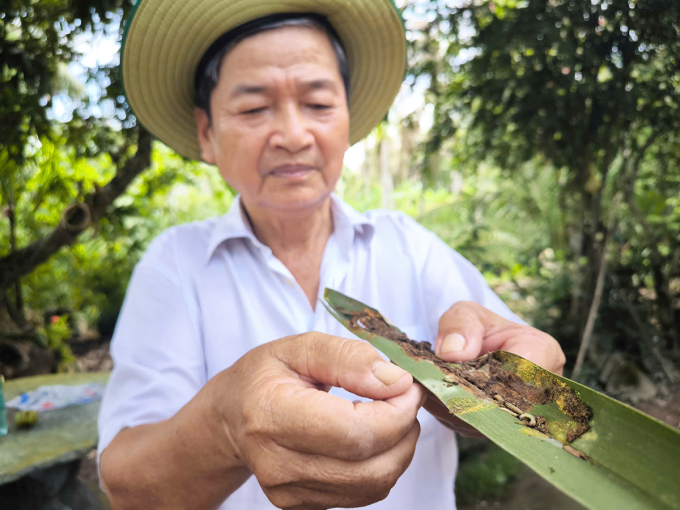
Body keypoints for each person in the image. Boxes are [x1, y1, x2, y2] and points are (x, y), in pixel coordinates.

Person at [98, 2, 566, 509]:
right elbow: (125, 483)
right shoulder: (175, 265)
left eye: (318, 104)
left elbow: (528, 368)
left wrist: (513, 381)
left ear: (346, 117)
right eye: (254, 109)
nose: (294, 136)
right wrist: (227, 425)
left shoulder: (408, 245)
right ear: (208, 133)